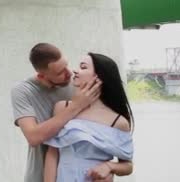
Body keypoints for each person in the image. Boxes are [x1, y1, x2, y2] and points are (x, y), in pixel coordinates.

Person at [11, 43, 105, 182]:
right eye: (60, 73)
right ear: (42, 76)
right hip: (40, 176)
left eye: (66, 65)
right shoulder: (23, 91)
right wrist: (77, 106)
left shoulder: (77, 83)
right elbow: (33, 137)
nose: (69, 73)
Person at [43, 53, 134, 182]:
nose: (75, 70)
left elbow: (128, 166)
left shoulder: (118, 121)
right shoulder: (63, 107)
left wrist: (109, 166)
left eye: (83, 67)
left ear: (99, 76)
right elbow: (52, 153)